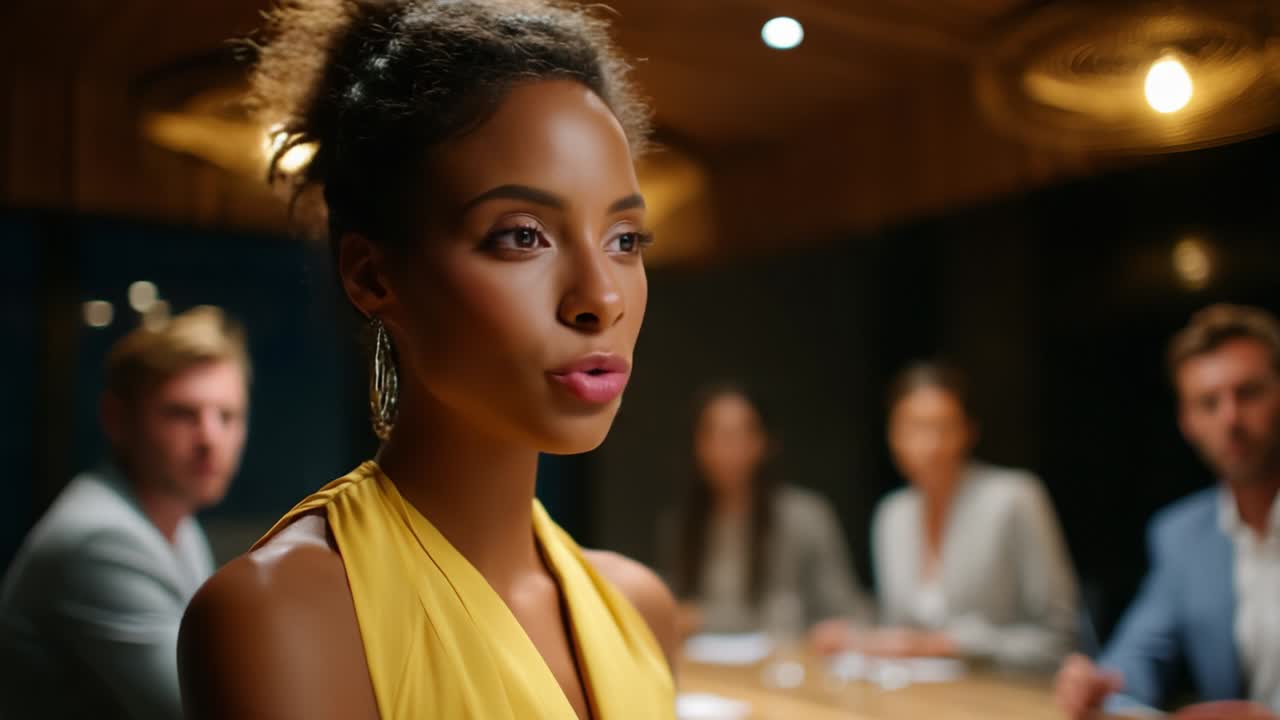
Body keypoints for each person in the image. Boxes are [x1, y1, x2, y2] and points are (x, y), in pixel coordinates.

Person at [177, 2, 676, 718]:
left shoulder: (641, 610)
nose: (601, 297)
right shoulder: (278, 617)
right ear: (373, 278)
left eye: (625, 240)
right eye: (523, 236)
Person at [0, 306, 250, 720]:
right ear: (116, 418)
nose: (210, 437)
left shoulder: (179, 526)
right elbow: (208, 710)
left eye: (227, 416)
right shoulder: (99, 541)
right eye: (182, 413)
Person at [1056, 304, 1280, 719]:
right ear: (1187, 421)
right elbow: (1134, 662)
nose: (1230, 417)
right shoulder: (1182, 533)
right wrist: (1098, 687)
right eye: (1209, 403)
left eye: (1248, 393)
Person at [813, 361, 1078, 670]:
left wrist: (948, 646)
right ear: (893, 436)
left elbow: (1060, 638)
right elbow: (900, 632)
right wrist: (856, 636)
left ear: (969, 431)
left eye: (944, 427)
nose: (931, 445)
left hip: (1004, 697)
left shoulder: (1014, 498)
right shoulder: (893, 515)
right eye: (914, 427)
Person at [660, 383, 868, 638]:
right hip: (705, 669)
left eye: (736, 435)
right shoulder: (682, 523)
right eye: (712, 435)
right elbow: (674, 609)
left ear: (761, 442)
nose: (723, 448)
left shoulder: (804, 517)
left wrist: (701, 619)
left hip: (788, 664)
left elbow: (834, 610)